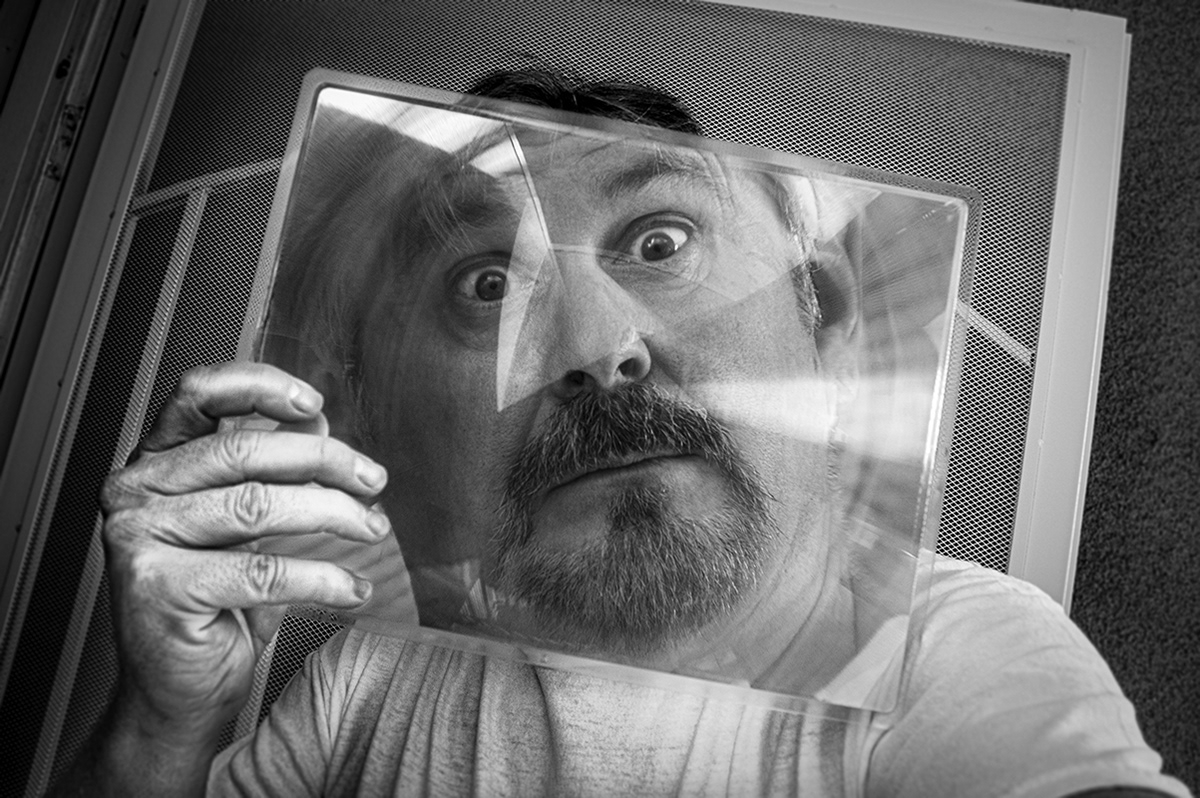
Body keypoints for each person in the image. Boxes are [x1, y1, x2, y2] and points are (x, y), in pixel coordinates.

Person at [53, 67, 1190, 797]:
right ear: (385, 419)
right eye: (489, 284)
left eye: (660, 243)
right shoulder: (369, 674)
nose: (598, 351)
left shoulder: (961, 648)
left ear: (828, 315)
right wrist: (163, 720)